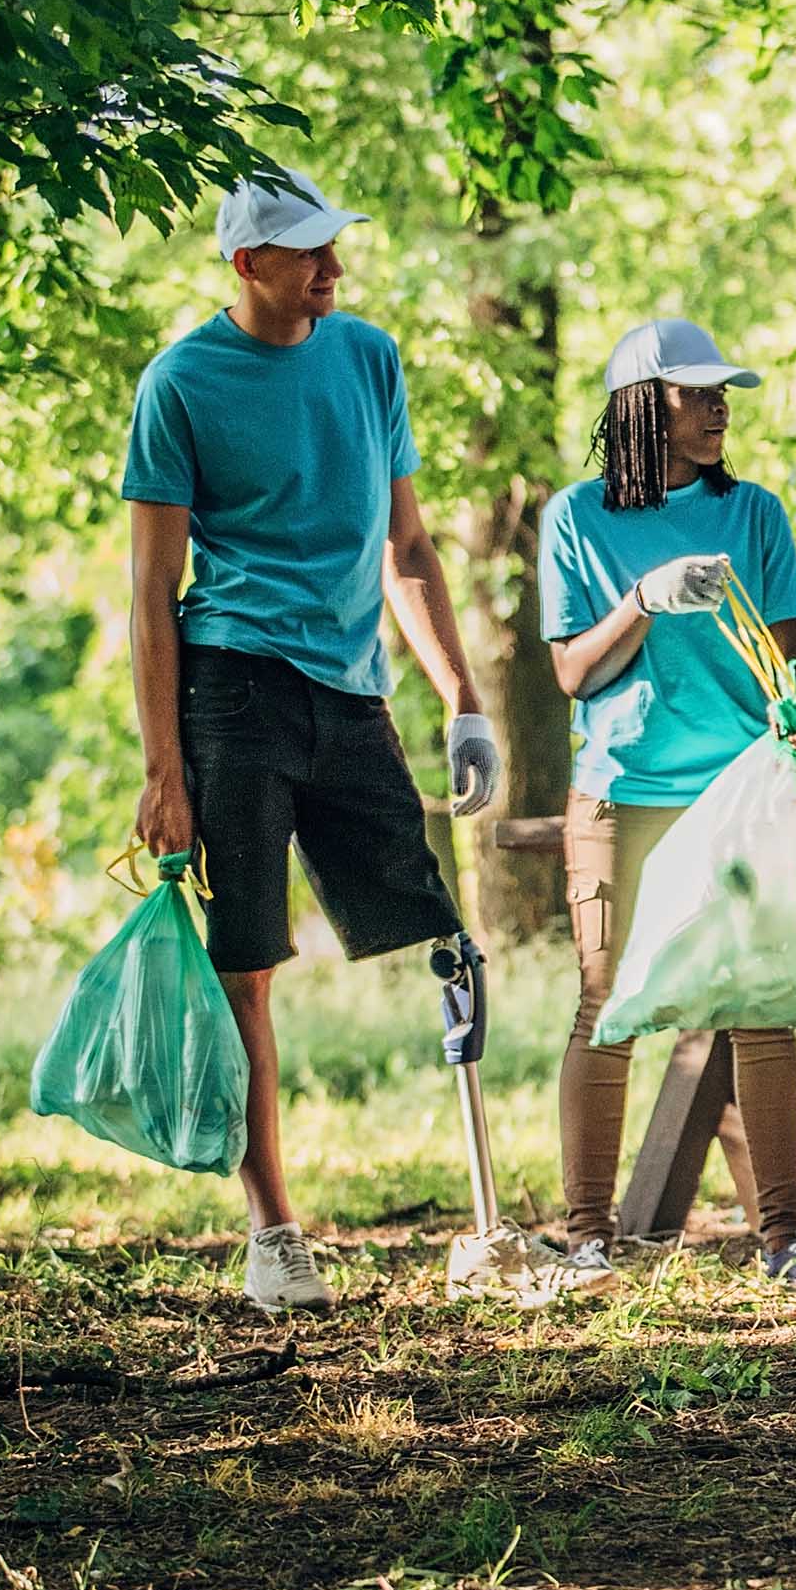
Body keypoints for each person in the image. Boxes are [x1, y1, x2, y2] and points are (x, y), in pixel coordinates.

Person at [124, 170, 501, 1315]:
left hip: (350, 691)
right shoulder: (182, 381)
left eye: (337, 248)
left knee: (443, 935)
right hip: (231, 690)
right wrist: (163, 770)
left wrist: (463, 697)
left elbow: (411, 551)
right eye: (310, 255)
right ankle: (275, 1234)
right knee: (248, 966)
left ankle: (491, 1220)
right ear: (247, 265)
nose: (333, 270)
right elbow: (151, 586)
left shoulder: (367, 357)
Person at [536, 315, 796, 1291]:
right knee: (610, 1006)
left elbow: (789, 655)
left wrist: (795, 708)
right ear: (642, 406)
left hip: (737, 792)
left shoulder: (753, 511)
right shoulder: (575, 519)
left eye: (723, 395)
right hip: (622, 795)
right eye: (696, 393)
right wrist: (643, 597)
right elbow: (573, 674)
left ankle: (788, 1235)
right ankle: (587, 1237)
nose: (719, 409)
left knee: (758, 1009)